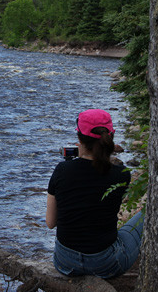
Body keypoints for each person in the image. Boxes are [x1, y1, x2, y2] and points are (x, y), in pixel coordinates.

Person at [46, 109, 143, 278]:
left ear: (79, 139)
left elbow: (50, 222)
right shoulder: (121, 173)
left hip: (65, 263)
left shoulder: (62, 170)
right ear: (110, 137)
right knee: (145, 215)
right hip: (106, 265)